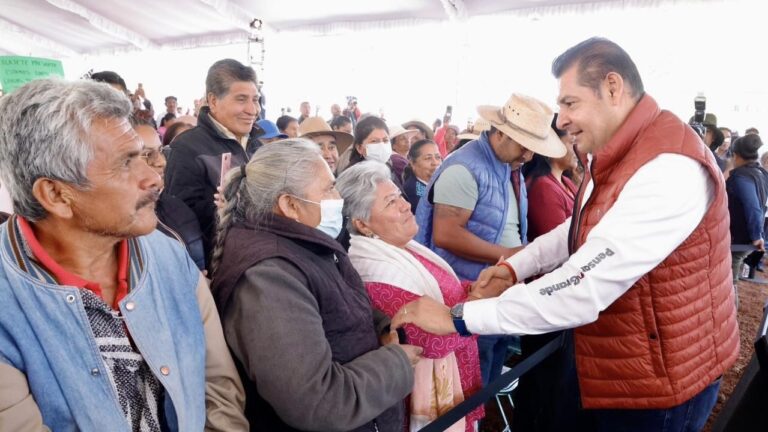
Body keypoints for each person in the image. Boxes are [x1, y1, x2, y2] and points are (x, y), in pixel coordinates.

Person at [396, 37, 739, 432]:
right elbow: (578, 227)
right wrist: (514, 268)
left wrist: (457, 318)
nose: (561, 120)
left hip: (659, 379)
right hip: (625, 357)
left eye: (570, 103)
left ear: (613, 88)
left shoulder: (669, 167)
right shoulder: (620, 152)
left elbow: (585, 285)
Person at [0, 78, 247, 431]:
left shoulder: (168, 258)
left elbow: (218, 390)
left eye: (145, 157)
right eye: (126, 163)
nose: (154, 178)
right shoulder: (8, 300)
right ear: (55, 195)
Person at [210, 139, 419, 431]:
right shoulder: (269, 277)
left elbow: (340, 305)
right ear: (290, 205)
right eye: (328, 188)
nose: (338, 197)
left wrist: (383, 328)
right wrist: (395, 363)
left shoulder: (303, 245)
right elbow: (318, 401)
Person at [414, 93, 565, 386]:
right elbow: (446, 234)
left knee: (486, 380)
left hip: (491, 294)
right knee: (470, 385)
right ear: (500, 133)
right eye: (524, 146)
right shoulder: (464, 167)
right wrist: (510, 254)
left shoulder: (508, 168)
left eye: (534, 149)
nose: (529, 156)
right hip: (465, 295)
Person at [338, 161, 483, 431]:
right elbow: (431, 342)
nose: (405, 205)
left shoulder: (404, 248)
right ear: (363, 224)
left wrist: (473, 289)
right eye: (391, 202)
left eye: (400, 196)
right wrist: (482, 308)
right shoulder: (376, 273)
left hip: (458, 374)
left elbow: (446, 291)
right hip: (423, 393)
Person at [164, 58, 265, 269]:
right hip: (219, 267)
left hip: (259, 256)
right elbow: (180, 220)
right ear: (213, 100)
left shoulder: (258, 145)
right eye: (241, 99)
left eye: (255, 99)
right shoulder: (188, 147)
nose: (252, 109)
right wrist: (230, 207)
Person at [133, 119, 207, 271]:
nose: (161, 162)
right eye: (148, 154)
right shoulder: (118, 225)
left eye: (160, 151)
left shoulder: (177, 207)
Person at [523, 115, 579, 241]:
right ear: (553, 145)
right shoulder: (543, 189)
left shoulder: (567, 182)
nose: (578, 149)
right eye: (572, 143)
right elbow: (558, 245)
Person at [727, 134, 768, 295]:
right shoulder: (760, 173)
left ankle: (730, 318)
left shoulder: (741, 177)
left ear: (736, 155)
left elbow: (753, 206)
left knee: (729, 283)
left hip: (740, 239)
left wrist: (756, 235)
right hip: (747, 238)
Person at [403, 139, 442, 212]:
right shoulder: (414, 191)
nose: (435, 163)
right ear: (412, 163)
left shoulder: (435, 183)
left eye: (438, 157)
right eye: (428, 158)